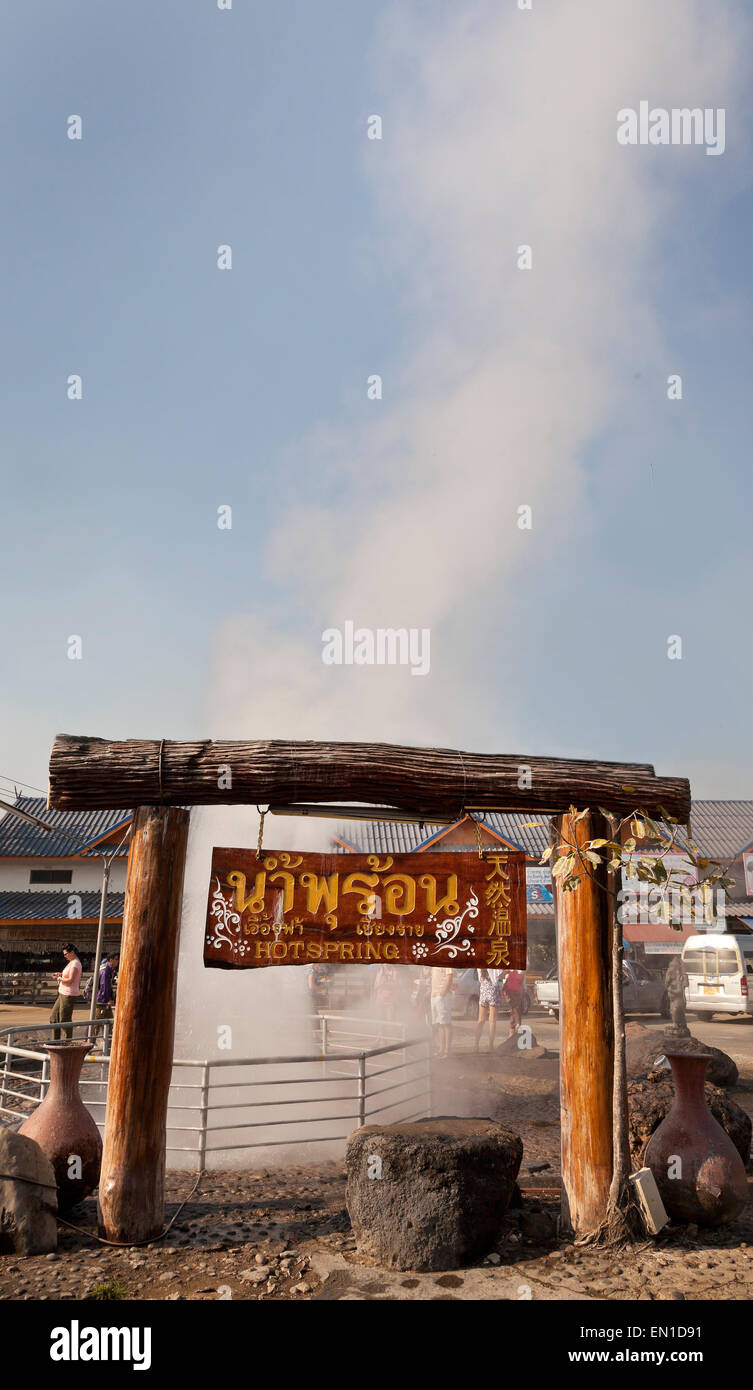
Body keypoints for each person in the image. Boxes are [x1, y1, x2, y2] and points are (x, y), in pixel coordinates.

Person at [50, 944, 82, 1041]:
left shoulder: (75, 963)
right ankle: (55, 1041)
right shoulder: (72, 962)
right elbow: (68, 977)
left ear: (72, 952)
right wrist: (61, 975)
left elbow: (71, 980)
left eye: (66, 954)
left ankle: (66, 1042)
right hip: (63, 992)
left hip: (68, 994)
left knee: (64, 1019)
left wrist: (59, 978)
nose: (65, 956)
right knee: (54, 1018)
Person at [474, 967, 504, 1051]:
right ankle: (490, 1045)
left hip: (483, 991)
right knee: (492, 1021)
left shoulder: (480, 966)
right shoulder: (494, 963)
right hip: (493, 992)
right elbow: (500, 974)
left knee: (480, 1020)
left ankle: (476, 1045)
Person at [431, 967, 454, 1058]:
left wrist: (442, 992)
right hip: (434, 995)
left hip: (443, 996)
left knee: (446, 1023)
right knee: (439, 1023)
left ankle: (447, 1050)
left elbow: (450, 975)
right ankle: (441, 1049)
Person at [503, 968, 526, 1036]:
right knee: (516, 1012)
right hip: (517, 991)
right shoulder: (520, 970)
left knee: (514, 1012)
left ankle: (512, 1036)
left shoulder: (509, 972)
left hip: (511, 991)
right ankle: (516, 1029)